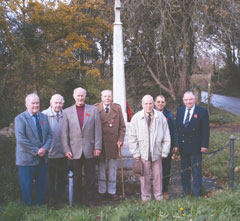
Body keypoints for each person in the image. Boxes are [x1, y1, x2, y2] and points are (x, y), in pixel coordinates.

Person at [61, 87, 102, 207]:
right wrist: (66, 149)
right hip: (74, 151)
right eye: (78, 95)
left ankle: (90, 199)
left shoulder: (93, 110)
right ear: (74, 96)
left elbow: (98, 130)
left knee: (90, 177)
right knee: (77, 177)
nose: (80, 98)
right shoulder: (67, 112)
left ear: (85, 96)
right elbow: (64, 133)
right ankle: (77, 199)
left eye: (82, 95)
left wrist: (98, 147)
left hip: (90, 149)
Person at [128, 95, 170, 202]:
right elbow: (132, 137)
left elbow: (166, 136)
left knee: (158, 176)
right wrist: (136, 153)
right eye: (146, 103)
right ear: (142, 105)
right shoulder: (136, 118)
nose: (148, 106)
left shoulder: (160, 117)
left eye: (150, 103)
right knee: (144, 177)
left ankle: (158, 196)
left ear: (153, 104)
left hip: (157, 153)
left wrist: (164, 152)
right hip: (143, 153)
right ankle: (145, 197)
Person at [14, 93, 52, 205]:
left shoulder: (44, 117)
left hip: (42, 157)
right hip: (26, 158)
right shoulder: (20, 119)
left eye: (37, 103)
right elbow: (21, 139)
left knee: (41, 183)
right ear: (26, 105)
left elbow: (50, 134)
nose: (36, 105)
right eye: (33, 103)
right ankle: (28, 206)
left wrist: (45, 148)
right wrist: (37, 150)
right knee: (27, 184)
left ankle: (39, 204)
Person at [176, 91, 209, 198]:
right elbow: (177, 129)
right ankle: (185, 191)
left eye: (190, 99)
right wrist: (176, 144)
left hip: (196, 146)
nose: (188, 101)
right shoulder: (180, 111)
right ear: (183, 101)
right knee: (184, 171)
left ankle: (197, 193)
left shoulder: (202, 111)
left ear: (194, 100)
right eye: (186, 100)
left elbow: (206, 130)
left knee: (196, 171)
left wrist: (204, 145)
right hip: (183, 146)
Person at [95, 90, 126, 201]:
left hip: (113, 143)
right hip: (100, 144)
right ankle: (102, 191)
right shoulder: (95, 108)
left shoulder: (117, 108)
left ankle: (112, 191)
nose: (107, 98)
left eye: (109, 96)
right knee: (101, 169)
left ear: (112, 98)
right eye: (105, 96)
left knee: (112, 169)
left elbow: (122, 127)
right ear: (101, 97)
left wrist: (120, 139)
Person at [42, 94, 66, 205]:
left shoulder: (66, 115)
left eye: (60, 103)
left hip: (63, 153)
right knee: (49, 179)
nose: (58, 105)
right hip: (49, 154)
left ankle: (61, 199)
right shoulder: (43, 115)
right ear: (51, 103)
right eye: (56, 102)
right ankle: (51, 201)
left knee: (62, 178)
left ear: (63, 103)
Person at [154, 95, 178, 200]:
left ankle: (164, 190)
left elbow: (174, 130)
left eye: (162, 102)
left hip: (166, 146)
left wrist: (175, 144)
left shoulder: (169, 115)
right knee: (154, 169)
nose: (160, 103)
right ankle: (154, 190)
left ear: (165, 103)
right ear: (154, 103)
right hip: (153, 146)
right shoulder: (150, 112)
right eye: (158, 101)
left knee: (166, 169)